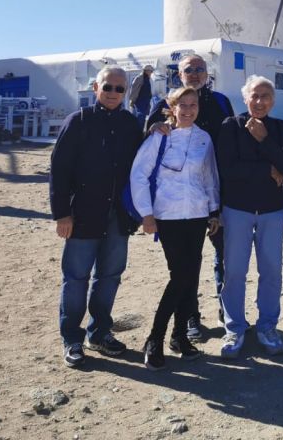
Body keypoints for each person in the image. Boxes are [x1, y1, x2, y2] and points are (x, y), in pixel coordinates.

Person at [49, 66, 142, 368]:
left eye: (120, 89)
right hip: (83, 215)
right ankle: (72, 338)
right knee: (76, 278)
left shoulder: (130, 124)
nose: (114, 93)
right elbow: (59, 170)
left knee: (110, 277)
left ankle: (99, 332)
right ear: (95, 88)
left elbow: (141, 169)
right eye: (108, 87)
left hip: (118, 217)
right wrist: (62, 213)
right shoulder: (78, 122)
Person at [131, 87, 221, 370]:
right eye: (182, 105)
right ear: (171, 107)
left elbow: (209, 177)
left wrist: (214, 211)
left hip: (196, 215)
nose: (188, 110)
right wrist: (146, 214)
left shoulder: (204, 139)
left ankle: (179, 336)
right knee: (180, 275)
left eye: (193, 105)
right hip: (167, 215)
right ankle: (155, 338)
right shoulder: (160, 136)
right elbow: (139, 175)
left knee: (190, 276)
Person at [146, 54, 233, 343]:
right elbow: (147, 142)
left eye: (200, 69)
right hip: (177, 203)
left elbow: (233, 138)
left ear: (207, 74)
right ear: (178, 74)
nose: (194, 74)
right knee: (187, 267)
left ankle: (227, 311)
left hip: (217, 193)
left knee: (225, 256)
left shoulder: (220, 102)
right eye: (188, 70)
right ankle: (191, 317)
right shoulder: (163, 105)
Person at [216, 75, 283, 358]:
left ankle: (267, 327)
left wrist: (264, 141)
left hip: (272, 211)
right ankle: (235, 328)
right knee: (235, 272)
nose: (260, 101)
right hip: (237, 209)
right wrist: (268, 170)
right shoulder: (230, 126)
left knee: (272, 271)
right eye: (255, 96)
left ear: (273, 100)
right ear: (245, 98)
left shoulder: (279, 127)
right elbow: (228, 169)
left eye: (265, 96)